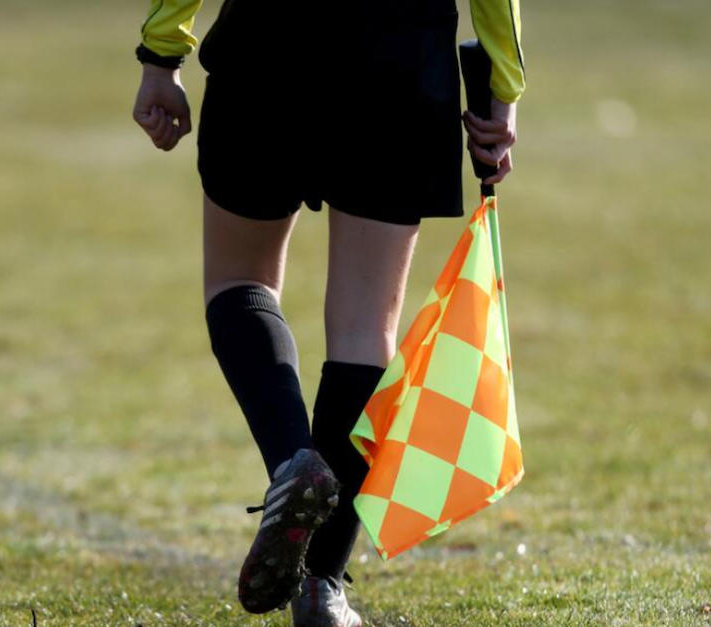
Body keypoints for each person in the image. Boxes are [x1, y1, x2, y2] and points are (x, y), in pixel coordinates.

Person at [131, 0, 524, 624]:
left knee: (239, 281)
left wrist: (161, 54)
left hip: (269, 38)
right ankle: (321, 586)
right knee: (365, 328)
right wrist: (503, 88)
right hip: (400, 49)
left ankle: (294, 463)